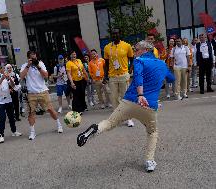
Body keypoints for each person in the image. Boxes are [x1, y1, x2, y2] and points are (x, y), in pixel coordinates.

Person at [77, 40, 175, 172]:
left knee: (110, 122)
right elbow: (172, 79)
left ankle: (96, 129)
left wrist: (140, 94)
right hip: (149, 106)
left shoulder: (140, 61)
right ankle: (149, 160)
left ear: (146, 50)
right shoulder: (162, 65)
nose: (134, 52)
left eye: (136, 50)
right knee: (152, 132)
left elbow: (139, 76)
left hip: (129, 102)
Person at [20, 51, 63, 140]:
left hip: (42, 91)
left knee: (50, 109)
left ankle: (59, 124)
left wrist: (38, 66)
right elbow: (21, 76)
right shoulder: (24, 65)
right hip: (31, 93)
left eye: (35, 57)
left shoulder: (40, 64)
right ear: (28, 58)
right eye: (32, 58)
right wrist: (28, 65)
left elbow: (46, 76)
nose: (34, 59)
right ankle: (32, 132)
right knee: (31, 113)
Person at [104, 29, 134, 127]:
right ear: (111, 35)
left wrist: (130, 69)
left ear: (120, 34)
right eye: (113, 34)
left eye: (117, 33)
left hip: (123, 75)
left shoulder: (127, 45)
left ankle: (129, 118)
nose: (115, 35)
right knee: (114, 98)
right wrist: (105, 76)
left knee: (125, 98)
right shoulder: (107, 47)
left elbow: (132, 59)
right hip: (112, 76)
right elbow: (107, 63)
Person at [0, 64, 22, 143]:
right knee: (2, 118)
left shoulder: (5, 75)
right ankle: (1, 135)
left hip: (8, 99)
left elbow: (13, 86)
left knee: (11, 117)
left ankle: (14, 131)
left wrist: (10, 78)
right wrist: (2, 79)